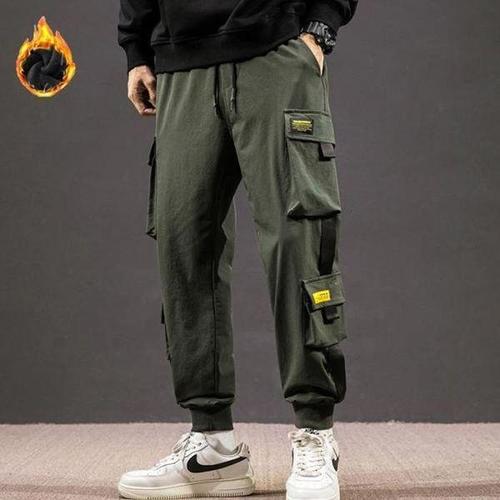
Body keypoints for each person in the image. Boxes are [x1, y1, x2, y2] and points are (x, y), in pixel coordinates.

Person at [117, 1, 357, 498]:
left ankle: (315, 432)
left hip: (274, 49)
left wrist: (321, 25)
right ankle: (213, 445)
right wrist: (136, 49)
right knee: (184, 247)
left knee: (298, 241)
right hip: (181, 63)